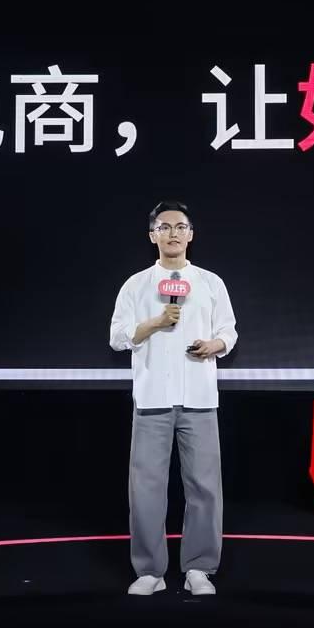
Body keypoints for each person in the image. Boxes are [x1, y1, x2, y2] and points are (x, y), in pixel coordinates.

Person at [108, 200, 238, 597]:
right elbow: (117, 337)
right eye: (164, 227)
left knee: (204, 487)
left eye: (180, 226)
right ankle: (150, 571)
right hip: (152, 398)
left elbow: (229, 332)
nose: (173, 233)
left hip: (199, 397)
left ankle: (199, 568)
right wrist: (155, 323)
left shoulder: (211, 283)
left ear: (191, 234)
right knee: (146, 488)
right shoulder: (136, 285)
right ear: (153, 236)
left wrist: (214, 344)